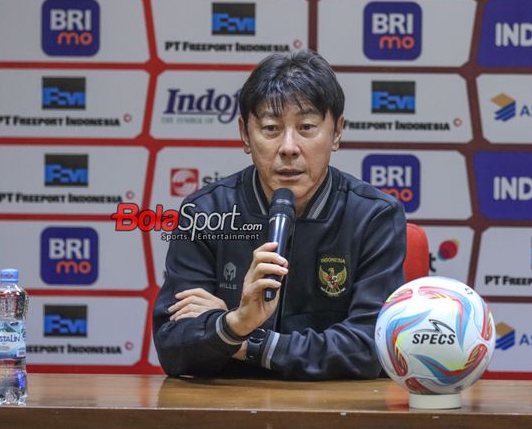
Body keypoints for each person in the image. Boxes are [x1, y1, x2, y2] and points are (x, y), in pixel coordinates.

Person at [153, 49, 406, 380]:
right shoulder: (205, 213)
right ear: (245, 134)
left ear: (337, 132)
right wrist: (237, 322)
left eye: (307, 127)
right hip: (233, 411)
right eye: (271, 128)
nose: (289, 147)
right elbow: (174, 347)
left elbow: (369, 348)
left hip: (335, 411)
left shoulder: (373, 217)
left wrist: (239, 336)